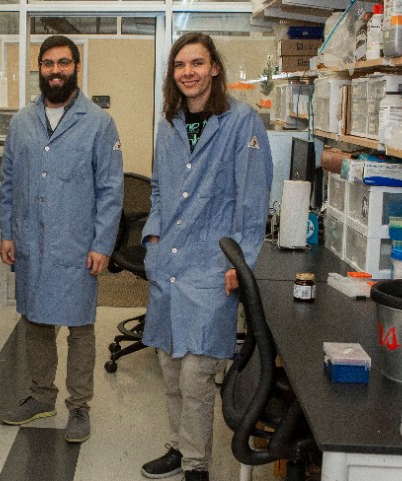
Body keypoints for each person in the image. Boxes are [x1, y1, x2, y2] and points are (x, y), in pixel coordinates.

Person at [138, 33, 273, 481]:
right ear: (173, 75)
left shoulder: (241, 123)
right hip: (169, 264)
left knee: (197, 373)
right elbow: (158, 188)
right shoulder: (170, 124)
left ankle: (196, 465)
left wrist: (241, 262)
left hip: (212, 266)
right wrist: (153, 236)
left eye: (197, 63)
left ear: (215, 67)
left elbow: (252, 201)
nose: (188, 72)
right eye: (180, 65)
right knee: (170, 366)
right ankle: (178, 447)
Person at [0, 35, 123, 444]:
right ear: (40, 69)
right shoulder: (21, 122)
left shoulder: (99, 123)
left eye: (63, 63)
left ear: (76, 67)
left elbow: (110, 190)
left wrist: (103, 243)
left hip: (76, 243)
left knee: (80, 327)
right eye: (48, 63)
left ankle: (79, 407)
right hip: (32, 241)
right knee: (35, 321)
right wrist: (9, 232)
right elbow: (10, 183)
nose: (55, 70)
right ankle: (40, 396)